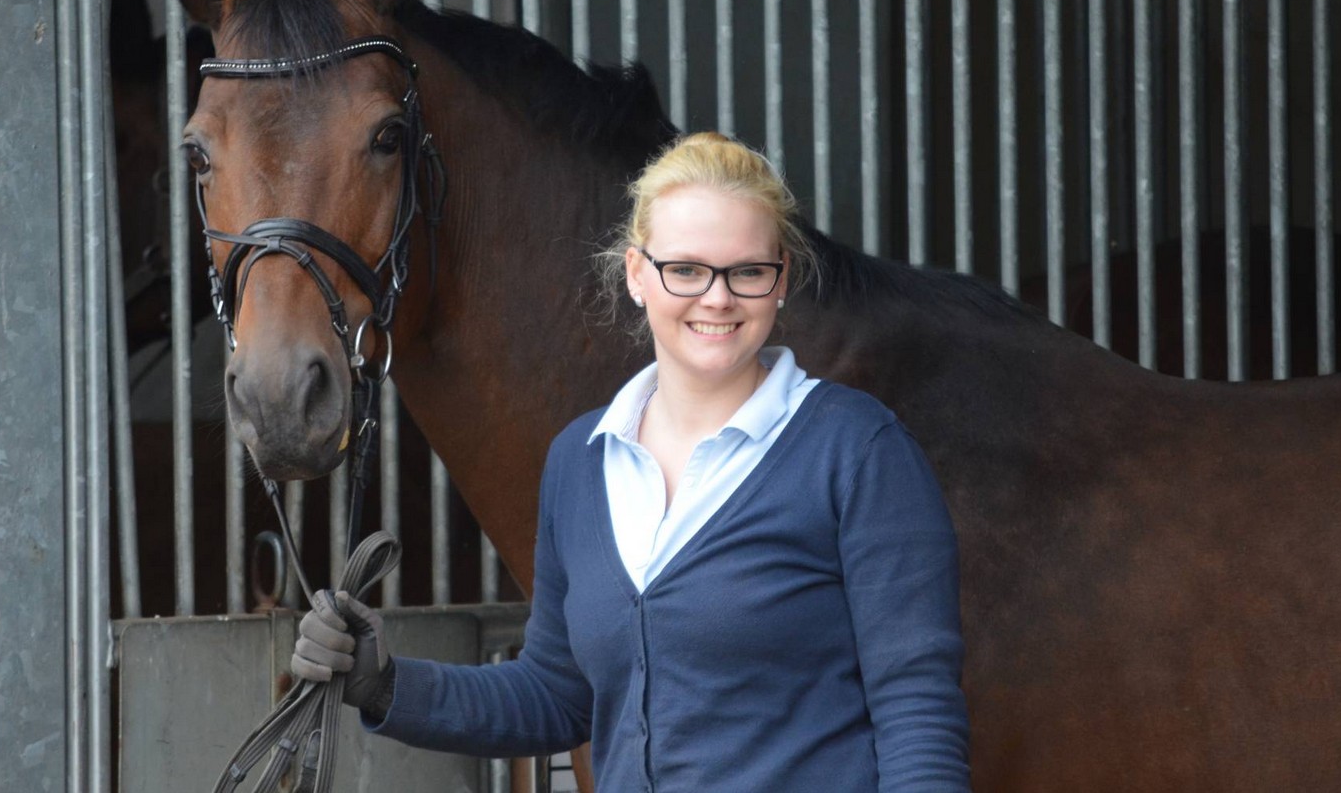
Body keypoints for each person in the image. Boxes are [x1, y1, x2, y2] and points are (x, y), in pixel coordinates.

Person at [292, 131, 972, 791]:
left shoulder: (857, 451)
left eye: (747, 271)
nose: (717, 297)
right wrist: (385, 683)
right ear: (637, 274)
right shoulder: (582, 461)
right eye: (686, 270)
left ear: (781, 280)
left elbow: (918, 711)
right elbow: (556, 693)